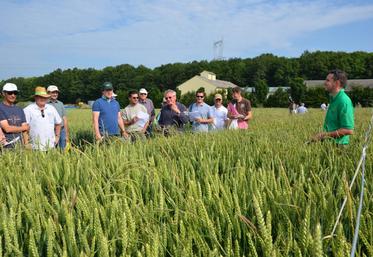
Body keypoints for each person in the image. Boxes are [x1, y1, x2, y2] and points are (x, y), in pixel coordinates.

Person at [311, 69, 354, 145]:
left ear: (336, 83)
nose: (325, 83)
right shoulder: (334, 99)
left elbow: (348, 130)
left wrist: (324, 135)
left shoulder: (343, 101)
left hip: (339, 146)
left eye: (328, 80)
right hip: (330, 144)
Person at [0, 83, 29, 148]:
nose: (13, 95)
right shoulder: (0, 108)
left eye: (15, 93)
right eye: (10, 93)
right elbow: (7, 129)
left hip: (21, 147)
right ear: (4, 93)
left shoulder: (20, 109)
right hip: (5, 148)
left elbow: (25, 130)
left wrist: (26, 144)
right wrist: (24, 128)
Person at [47, 85, 69, 149]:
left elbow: (64, 118)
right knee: (51, 148)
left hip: (61, 130)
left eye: (56, 92)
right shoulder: (45, 104)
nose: (55, 94)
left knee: (62, 148)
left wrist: (67, 134)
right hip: (50, 131)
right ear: (48, 93)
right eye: (53, 92)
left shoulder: (60, 104)